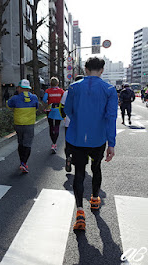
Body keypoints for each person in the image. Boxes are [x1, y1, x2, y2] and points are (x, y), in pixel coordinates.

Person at [64, 57, 117, 231]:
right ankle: (94, 199)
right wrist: (111, 143)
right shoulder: (109, 89)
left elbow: (68, 110)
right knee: (96, 167)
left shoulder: (73, 87)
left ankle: (80, 211)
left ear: (85, 69)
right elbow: (111, 118)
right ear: (102, 70)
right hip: (98, 139)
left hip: (77, 137)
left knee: (79, 172)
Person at [6, 79, 39, 173]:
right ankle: (24, 163)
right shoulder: (34, 97)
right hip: (29, 124)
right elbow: (36, 107)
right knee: (27, 144)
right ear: (28, 89)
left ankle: (21, 162)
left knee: (20, 143)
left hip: (18, 124)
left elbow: (8, 106)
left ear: (20, 88)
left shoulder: (15, 98)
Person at [60, 75, 84, 172]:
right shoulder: (86, 92)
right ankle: (78, 161)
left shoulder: (67, 92)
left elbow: (62, 106)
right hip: (83, 123)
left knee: (68, 142)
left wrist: (64, 117)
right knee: (81, 143)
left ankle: (68, 157)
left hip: (69, 123)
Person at [43, 77, 65, 154]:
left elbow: (44, 100)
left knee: (51, 126)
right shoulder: (61, 91)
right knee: (57, 126)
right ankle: (54, 144)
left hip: (50, 110)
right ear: (57, 83)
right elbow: (64, 100)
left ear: (50, 83)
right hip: (58, 110)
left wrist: (49, 100)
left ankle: (53, 143)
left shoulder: (48, 91)